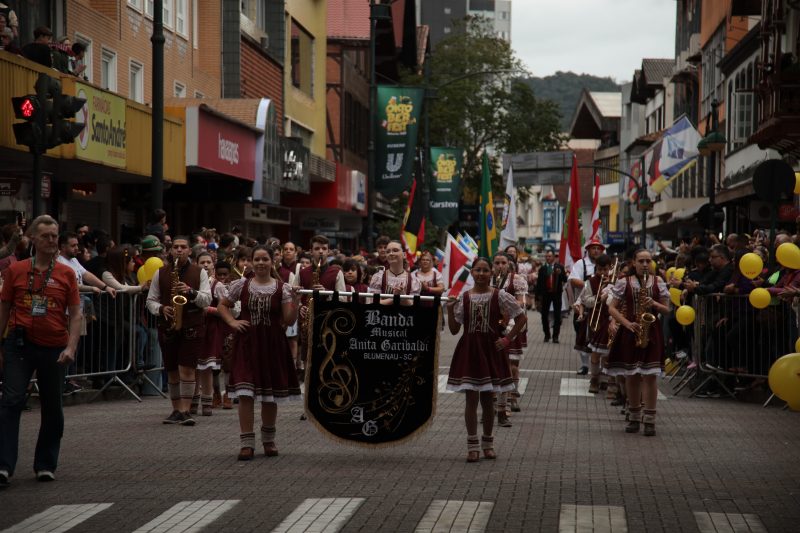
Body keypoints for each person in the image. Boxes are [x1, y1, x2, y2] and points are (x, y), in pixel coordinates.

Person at [0, 215, 82, 487]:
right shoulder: (17, 270)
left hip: (55, 347)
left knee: (52, 406)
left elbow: (75, 314)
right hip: (19, 344)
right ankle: (3, 465)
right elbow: (4, 307)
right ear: (33, 239)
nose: (51, 241)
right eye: (45, 236)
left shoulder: (66, 273)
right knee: (11, 401)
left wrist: (71, 346)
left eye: (54, 235)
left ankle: (45, 464)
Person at [217, 246, 301, 460]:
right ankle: (246, 442)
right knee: (246, 394)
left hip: (272, 345)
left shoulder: (281, 288)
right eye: (257, 259)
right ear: (251, 262)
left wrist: (297, 301)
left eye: (265, 259)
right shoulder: (242, 285)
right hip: (247, 344)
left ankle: (268, 440)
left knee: (269, 395)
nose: (261, 263)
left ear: (272, 262)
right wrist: (232, 322)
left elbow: (289, 320)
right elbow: (222, 306)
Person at [446, 257, 527, 462]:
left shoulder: (500, 296)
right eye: (477, 270)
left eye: (485, 270)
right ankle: (472, 445)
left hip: (490, 350)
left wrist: (508, 339)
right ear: (471, 273)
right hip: (470, 350)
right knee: (471, 399)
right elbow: (455, 330)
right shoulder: (464, 298)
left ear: (491, 273)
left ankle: (488, 443)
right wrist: (448, 309)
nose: (481, 274)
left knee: (488, 400)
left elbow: (521, 317)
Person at [145, 236, 211, 426]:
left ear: (190, 251)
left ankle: (186, 410)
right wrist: (160, 309)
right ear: (170, 250)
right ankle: (175, 409)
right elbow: (150, 300)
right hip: (168, 326)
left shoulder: (199, 272)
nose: (179, 250)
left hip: (192, 324)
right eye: (176, 247)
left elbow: (207, 299)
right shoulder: (161, 273)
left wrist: (191, 292)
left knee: (187, 369)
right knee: (172, 369)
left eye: (183, 247)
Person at [605, 249, 669, 436]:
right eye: (641, 261)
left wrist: (654, 305)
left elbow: (667, 309)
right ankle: (634, 416)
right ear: (634, 262)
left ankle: (649, 420)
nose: (645, 264)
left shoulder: (658, 282)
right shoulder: (624, 282)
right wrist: (626, 323)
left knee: (650, 376)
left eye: (648, 261)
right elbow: (611, 308)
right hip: (630, 330)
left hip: (652, 331)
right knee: (631, 375)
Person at [491, 252, 528, 421]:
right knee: (492, 365)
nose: (500, 266)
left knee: (511, 364)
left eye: (503, 262)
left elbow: (521, 302)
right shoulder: (488, 278)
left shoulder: (517, 279)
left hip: (512, 324)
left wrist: (506, 305)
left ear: (508, 264)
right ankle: (492, 404)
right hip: (492, 326)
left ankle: (510, 398)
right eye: (497, 262)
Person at [574, 254, 614, 394]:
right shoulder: (589, 282)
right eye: (600, 269)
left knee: (607, 353)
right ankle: (594, 379)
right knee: (596, 352)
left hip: (610, 319)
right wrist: (599, 298)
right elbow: (586, 300)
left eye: (606, 269)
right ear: (596, 268)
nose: (603, 273)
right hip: (596, 318)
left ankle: (604, 378)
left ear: (610, 268)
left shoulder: (614, 282)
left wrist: (610, 290)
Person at [569, 238, 605, 374]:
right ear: (588, 250)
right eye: (593, 248)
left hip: (601, 307)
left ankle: (599, 367)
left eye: (598, 248)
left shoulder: (606, 263)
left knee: (600, 336)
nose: (596, 250)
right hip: (583, 305)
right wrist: (589, 285)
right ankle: (584, 364)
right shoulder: (581, 263)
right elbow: (573, 280)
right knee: (581, 335)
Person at [191, 251, 219, 416]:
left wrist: (208, 309)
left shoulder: (218, 285)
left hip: (210, 329)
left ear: (213, 264)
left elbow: (228, 309)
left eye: (209, 262)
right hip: (194, 326)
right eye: (202, 262)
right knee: (193, 366)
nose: (206, 265)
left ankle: (207, 402)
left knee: (207, 367)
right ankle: (193, 401)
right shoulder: (192, 282)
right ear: (197, 264)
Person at [534, 250, 567, 343]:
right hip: (546, 295)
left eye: (550, 256)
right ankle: (547, 335)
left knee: (557, 316)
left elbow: (565, 279)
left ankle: (555, 336)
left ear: (553, 257)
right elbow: (539, 284)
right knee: (544, 315)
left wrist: (560, 273)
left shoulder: (559, 267)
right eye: (547, 256)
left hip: (556, 295)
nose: (548, 258)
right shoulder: (543, 269)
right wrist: (537, 297)